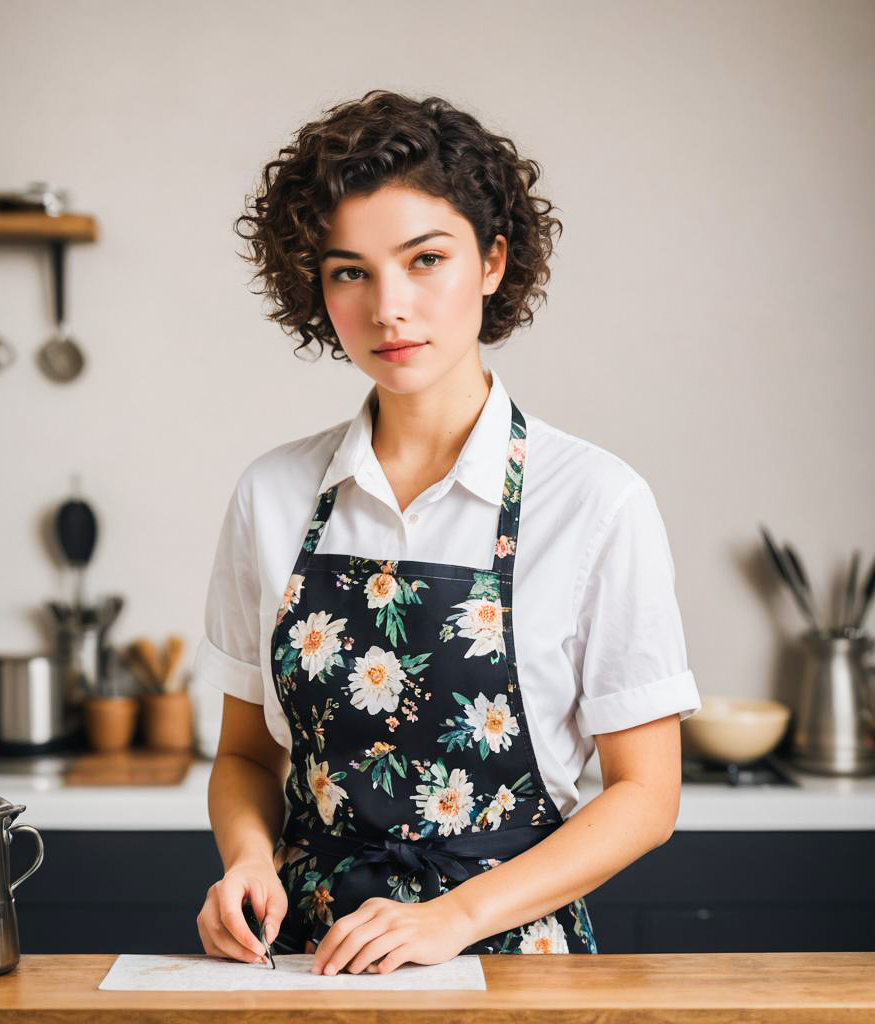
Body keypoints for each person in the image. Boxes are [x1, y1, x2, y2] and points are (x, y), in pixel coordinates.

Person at [194, 89, 701, 975]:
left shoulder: (596, 501)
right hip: (310, 962)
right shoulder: (272, 493)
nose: (389, 306)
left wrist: (452, 918)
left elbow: (647, 797)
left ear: (494, 261)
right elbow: (245, 755)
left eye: (425, 259)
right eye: (349, 270)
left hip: (517, 964)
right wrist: (244, 860)